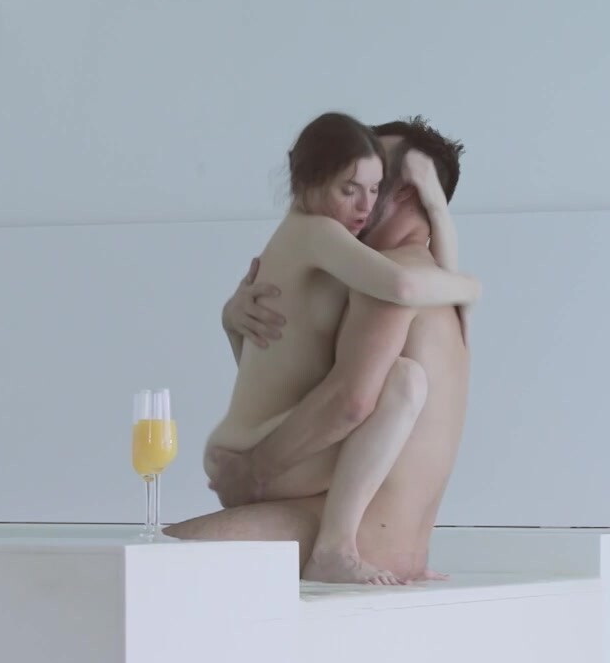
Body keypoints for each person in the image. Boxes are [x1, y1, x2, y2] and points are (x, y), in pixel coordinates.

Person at [170, 117, 472, 585]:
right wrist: (234, 322)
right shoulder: (440, 292)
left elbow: (349, 402)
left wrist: (252, 471)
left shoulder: (391, 279)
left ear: (405, 191)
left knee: (145, 561)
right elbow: (297, 394)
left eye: (373, 180)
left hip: (349, 546)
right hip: (401, 555)